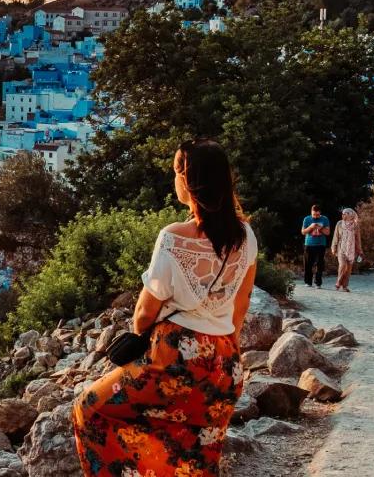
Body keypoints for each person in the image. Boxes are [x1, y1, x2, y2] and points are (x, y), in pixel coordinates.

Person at [73, 139, 257, 477]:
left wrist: (142, 341)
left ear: (188, 182)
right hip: (225, 364)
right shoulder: (246, 235)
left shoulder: (174, 237)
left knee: (90, 408)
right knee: (197, 451)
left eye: (176, 172)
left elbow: (144, 312)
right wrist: (228, 351)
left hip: (174, 358)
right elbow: (240, 306)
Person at [330, 208, 362, 292]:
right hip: (341, 248)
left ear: (350, 215)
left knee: (348, 269)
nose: (343, 215)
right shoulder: (339, 224)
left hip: (351, 250)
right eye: (343, 214)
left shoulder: (355, 225)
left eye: (345, 214)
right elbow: (335, 236)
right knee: (343, 265)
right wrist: (333, 247)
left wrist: (360, 250)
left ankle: (345, 286)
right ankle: (338, 283)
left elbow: (358, 239)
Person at [301, 205, 330, 288]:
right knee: (308, 264)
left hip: (321, 244)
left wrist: (321, 228)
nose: (316, 216)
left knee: (319, 264)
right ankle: (308, 282)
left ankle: (318, 283)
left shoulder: (325, 219)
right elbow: (303, 232)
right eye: (314, 215)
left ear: (320, 213)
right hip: (309, 244)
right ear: (311, 212)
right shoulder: (307, 219)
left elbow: (328, 232)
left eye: (317, 215)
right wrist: (311, 227)